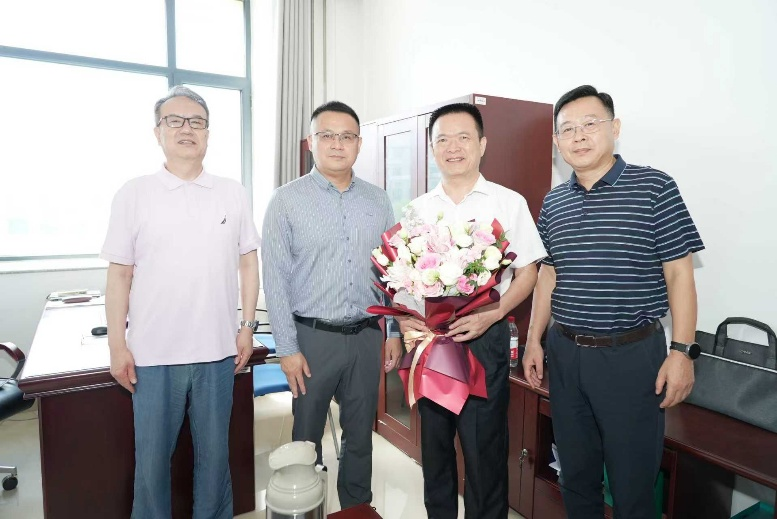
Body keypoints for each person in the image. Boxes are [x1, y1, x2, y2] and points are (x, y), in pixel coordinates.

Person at [523, 85, 705, 519]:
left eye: (590, 124)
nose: (579, 136)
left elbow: (679, 274)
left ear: (615, 128)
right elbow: (548, 274)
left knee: (631, 484)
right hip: (565, 353)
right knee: (575, 475)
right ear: (557, 141)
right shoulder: (554, 202)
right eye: (568, 129)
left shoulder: (654, 187)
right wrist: (533, 340)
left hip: (630, 356)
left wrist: (682, 352)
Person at [101, 86, 260, 519]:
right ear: (158, 132)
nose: (187, 129)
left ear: (208, 133)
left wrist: (247, 327)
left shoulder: (232, 192)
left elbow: (248, 263)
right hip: (153, 356)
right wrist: (117, 346)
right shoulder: (134, 193)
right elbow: (119, 275)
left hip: (217, 354)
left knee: (215, 461)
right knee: (152, 466)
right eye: (175, 120)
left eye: (197, 122)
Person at [398, 103, 547, 519]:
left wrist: (494, 314)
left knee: (485, 453)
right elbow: (403, 280)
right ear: (432, 148)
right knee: (435, 452)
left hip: (485, 339)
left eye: (463, 137)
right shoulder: (417, 210)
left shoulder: (508, 203)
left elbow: (529, 272)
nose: (453, 147)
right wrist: (406, 322)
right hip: (432, 343)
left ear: (482, 144)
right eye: (442, 139)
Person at [261, 100, 403, 509]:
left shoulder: (378, 200)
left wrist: (394, 331)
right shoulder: (286, 200)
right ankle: (306, 509)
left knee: (360, 437)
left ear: (359, 144)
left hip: (366, 336)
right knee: (306, 439)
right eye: (327, 135)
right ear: (311, 142)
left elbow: (392, 272)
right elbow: (275, 280)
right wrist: (287, 349)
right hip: (311, 339)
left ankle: (356, 509)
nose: (337, 144)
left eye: (347, 136)